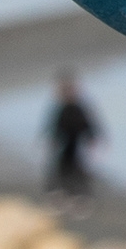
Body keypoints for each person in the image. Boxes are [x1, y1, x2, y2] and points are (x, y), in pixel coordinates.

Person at [44, 70, 100, 200]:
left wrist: (92, 137)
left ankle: (79, 195)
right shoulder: (60, 108)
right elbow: (54, 126)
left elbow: (88, 124)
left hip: (76, 145)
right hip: (64, 145)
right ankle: (59, 193)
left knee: (78, 169)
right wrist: (52, 139)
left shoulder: (79, 107)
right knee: (60, 168)